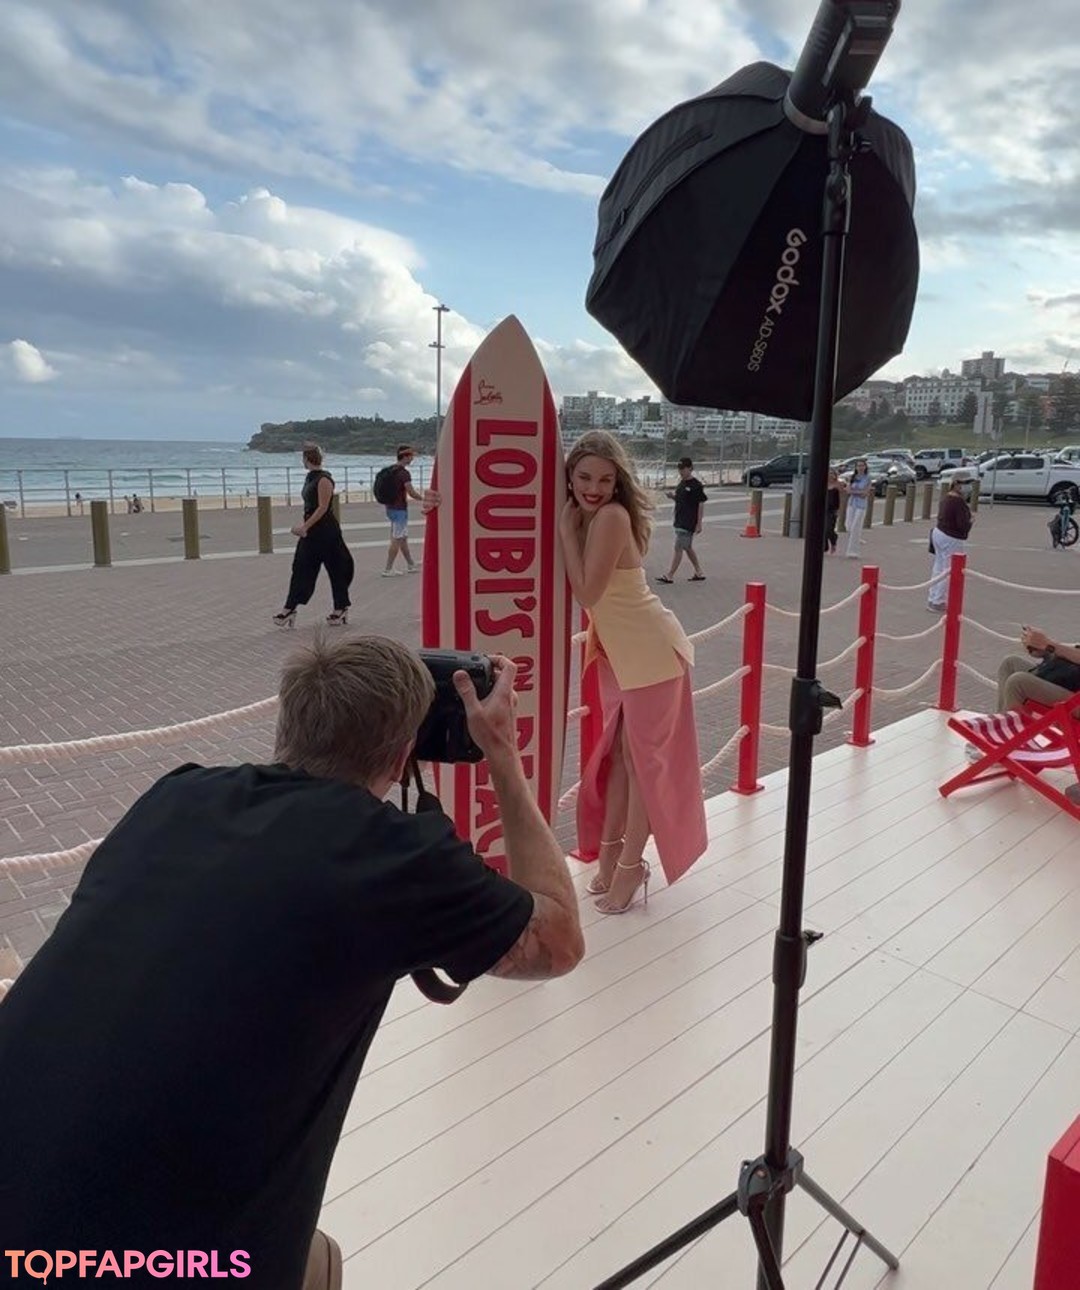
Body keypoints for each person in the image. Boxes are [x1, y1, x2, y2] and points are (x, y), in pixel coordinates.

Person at [0, 634, 584, 1290]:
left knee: (314, 1258)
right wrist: (501, 752)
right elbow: (559, 940)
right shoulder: (390, 856)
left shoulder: (178, 796)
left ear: (290, 724)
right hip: (133, 1264)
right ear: (402, 753)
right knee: (312, 1261)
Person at [559, 430, 708, 914]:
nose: (593, 488)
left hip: (650, 652)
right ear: (569, 475)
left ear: (618, 481)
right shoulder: (589, 515)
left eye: (605, 479)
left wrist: (565, 530)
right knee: (623, 760)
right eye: (584, 477)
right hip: (626, 656)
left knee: (641, 766)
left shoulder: (610, 517)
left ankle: (630, 867)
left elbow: (587, 593)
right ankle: (609, 859)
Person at [273, 443, 355, 627]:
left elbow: (323, 508)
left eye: (303, 458)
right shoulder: (310, 478)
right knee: (301, 567)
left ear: (306, 459)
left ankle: (340, 608)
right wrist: (306, 527)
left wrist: (304, 527)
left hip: (326, 531)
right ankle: (289, 609)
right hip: (312, 532)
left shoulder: (324, 479)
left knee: (336, 568)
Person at [996, 625, 1080, 711]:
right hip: (1063, 682)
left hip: (1075, 700)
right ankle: (1002, 714)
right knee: (1010, 663)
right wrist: (1044, 651)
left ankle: (1009, 718)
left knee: (1017, 681)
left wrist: (1049, 645)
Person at [657, 456, 707, 584]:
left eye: (683, 468)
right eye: (679, 469)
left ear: (690, 468)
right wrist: (672, 497)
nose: (681, 471)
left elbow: (700, 504)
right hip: (679, 519)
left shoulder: (696, 485)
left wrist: (699, 523)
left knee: (678, 547)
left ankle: (670, 575)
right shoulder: (681, 483)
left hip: (689, 521)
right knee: (687, 547)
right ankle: (699, 571)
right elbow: (681, 499)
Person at [928, 475, 973, 612]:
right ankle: (938, 601)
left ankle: (932, 597)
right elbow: (962, 524)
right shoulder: (958, 502)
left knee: (938, 566)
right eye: (965, 483)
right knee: (949, 569)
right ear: (957, 485)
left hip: (939, 532)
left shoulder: (946, 497)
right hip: (951, 537)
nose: (968, 487)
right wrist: (970, 521)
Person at [382, 444, 424, 576]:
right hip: (399, 510)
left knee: (402, 538)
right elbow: (411, 492)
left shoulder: (391, 470)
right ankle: (388, 569)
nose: (412, 459)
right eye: (411, 456)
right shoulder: (404, 474)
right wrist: (423, 499)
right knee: (397, 539)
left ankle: (410, 564)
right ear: (405, 457)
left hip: (390, 508)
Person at [842, 458, 871, 558]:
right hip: (852, 503)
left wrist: (854, 492)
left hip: (861, 505)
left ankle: (853, 551)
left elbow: (865, 493)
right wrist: (856, 492)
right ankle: (857, 538)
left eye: (862, 466)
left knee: (855, 527)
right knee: (848, 526)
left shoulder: (867, 478)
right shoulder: (852, 477)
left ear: (865, 467)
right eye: (858, 466)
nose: (860, 467)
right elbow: (848, 490)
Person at [824, 468, 841, 554]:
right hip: (823, 509)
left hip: (831, 510)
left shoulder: (837, 486)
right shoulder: (823, 485)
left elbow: (838, 501)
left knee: (829, 529)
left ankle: (834, 540)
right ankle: (825, 547)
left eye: (832, 474)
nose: (830, 475)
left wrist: (837, 511)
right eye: (829, 473)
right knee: (822, 529)